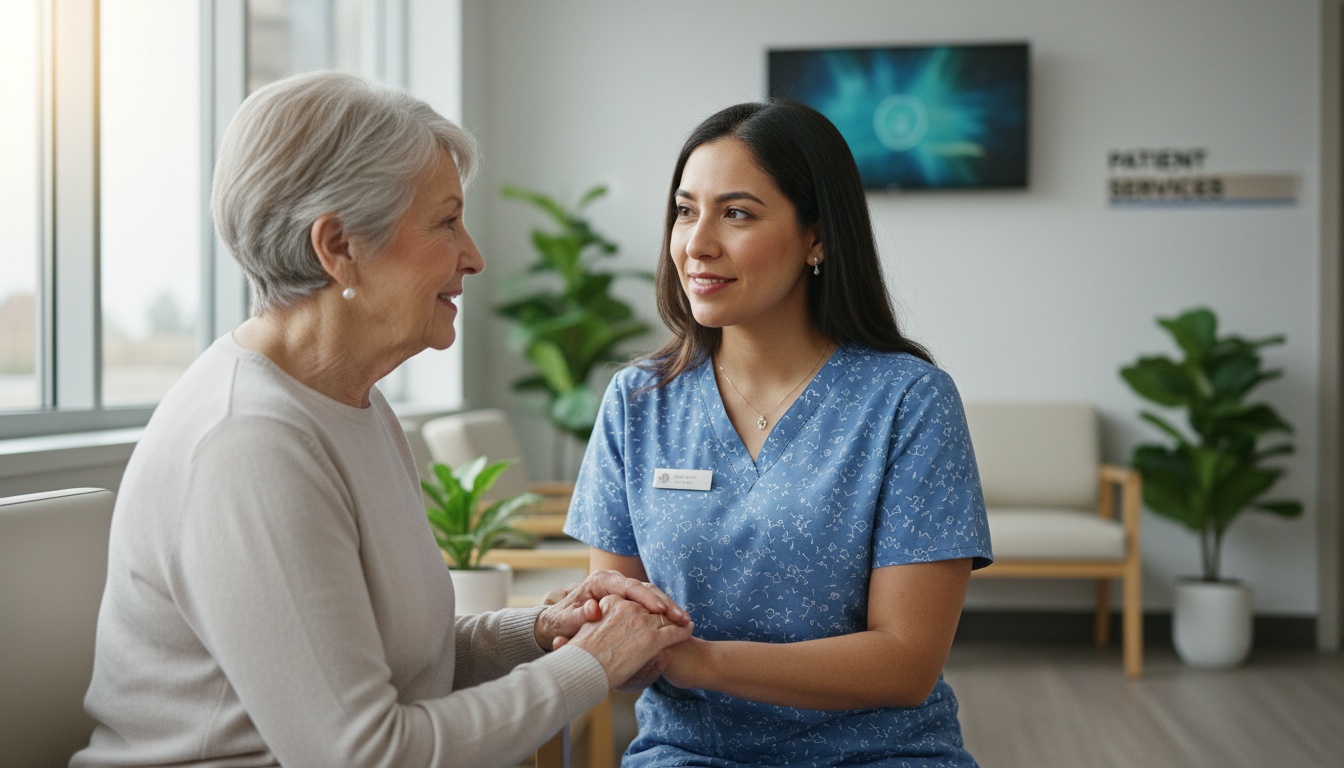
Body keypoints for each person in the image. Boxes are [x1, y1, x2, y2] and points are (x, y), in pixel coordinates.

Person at [71, 70, 692, 768]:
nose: (474, 256)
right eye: (446, 221)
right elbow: (365, 755)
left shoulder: (347, 400)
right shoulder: (249, 443)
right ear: (338, 247)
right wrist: (593, 666)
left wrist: (543, 631)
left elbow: (399, 660)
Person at [563, 100, 993, 767]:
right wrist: (607, 637)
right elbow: (622, 632)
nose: (697, 243)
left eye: (736, 213)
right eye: (684, 210)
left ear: (817, 237)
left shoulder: (909, 401)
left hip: (880, 754)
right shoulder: (638, 402)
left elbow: (907, 661)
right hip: (689, 753)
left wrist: (703, 662)